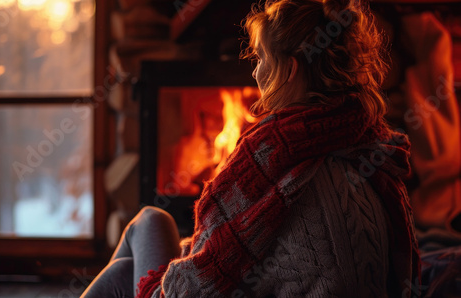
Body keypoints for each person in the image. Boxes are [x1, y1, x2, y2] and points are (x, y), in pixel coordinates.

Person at [82, 0, 421, 297]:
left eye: (260, 59)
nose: (256, 72)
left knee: (148, 223)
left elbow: (194, 289)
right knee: (127, 269)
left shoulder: (278, 165)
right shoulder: (369, 151)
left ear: (288, 70)